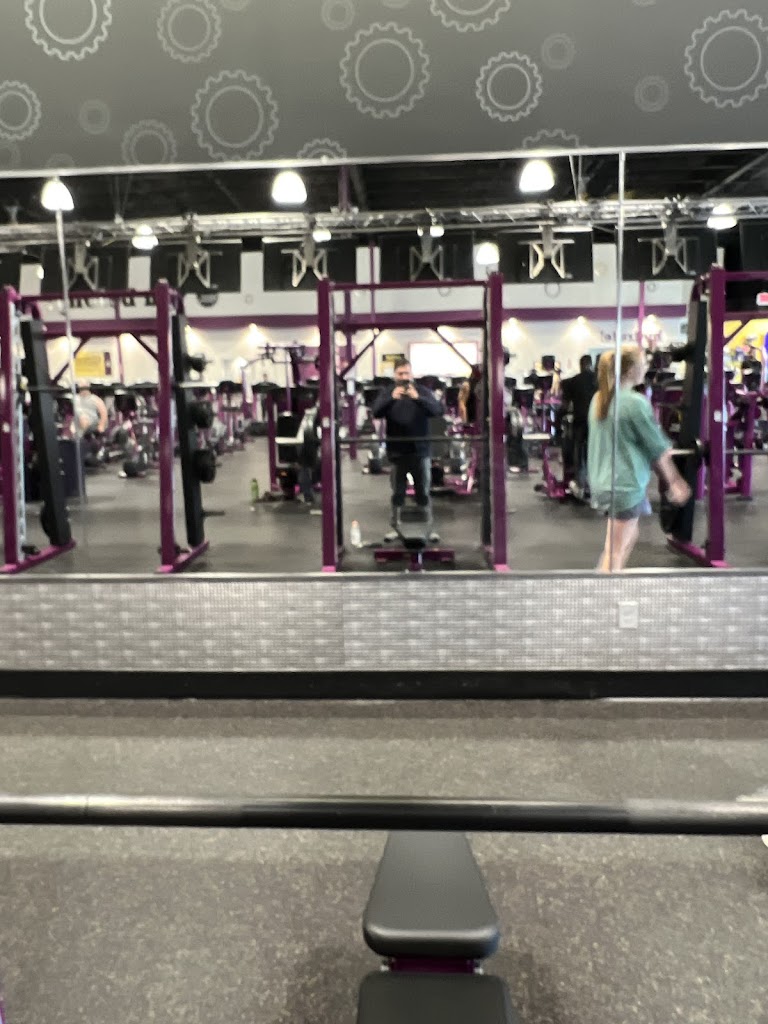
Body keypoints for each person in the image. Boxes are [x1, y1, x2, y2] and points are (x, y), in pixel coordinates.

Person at [588, 345, 691, 572]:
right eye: (642, 363)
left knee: (626, 538)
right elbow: (656, 448)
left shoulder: (599, 399)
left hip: (605, 482)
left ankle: (608, 583)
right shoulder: (635, 402)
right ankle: (605, 591)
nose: (646, 367)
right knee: (615, 552)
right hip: (625, 485)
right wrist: (675, 481)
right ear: (629, 371)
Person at [372, 359, 443, 540]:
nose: (404, 377)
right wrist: (391, 399)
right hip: (397, 451)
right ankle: (396, 528)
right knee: (398, 493)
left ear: (412, 374)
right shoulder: (388, 392)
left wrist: (417, 398)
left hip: (420, 450)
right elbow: (376, 412)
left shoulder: (422, 391)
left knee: (423, 493)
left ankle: (428, 529)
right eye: (400, 374)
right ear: (395, 375)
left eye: (407, 373)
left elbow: (437, 411)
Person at [560, 354, 597, 496]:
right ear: (591, 364)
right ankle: (595, 484)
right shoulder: (598, 380)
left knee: (579, 451)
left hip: (580, 420)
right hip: (596, 420)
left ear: (580, 365)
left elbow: (565, 405)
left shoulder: (573, 381)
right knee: (595, 451)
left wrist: (561, 416)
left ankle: (581, 484)